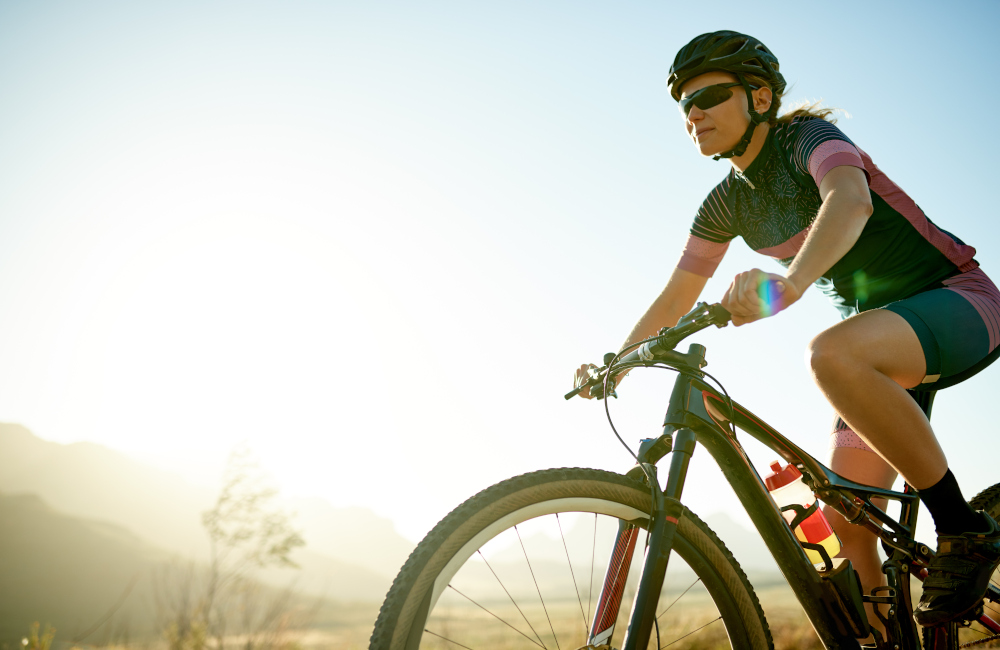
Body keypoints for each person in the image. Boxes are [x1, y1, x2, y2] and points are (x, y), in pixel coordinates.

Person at [573, 30, 1000, 633]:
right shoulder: (725, 204)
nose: (694, 112)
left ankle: (965, 529)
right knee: (851, 521)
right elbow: (678, 295)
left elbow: (849, 202)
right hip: (876, 339)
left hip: (960, 301)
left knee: (830, 353)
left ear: (762, 98)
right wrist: (618, 360)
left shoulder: (808, 140)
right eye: (684, 105)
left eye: (712, 96)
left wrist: (790, 286)